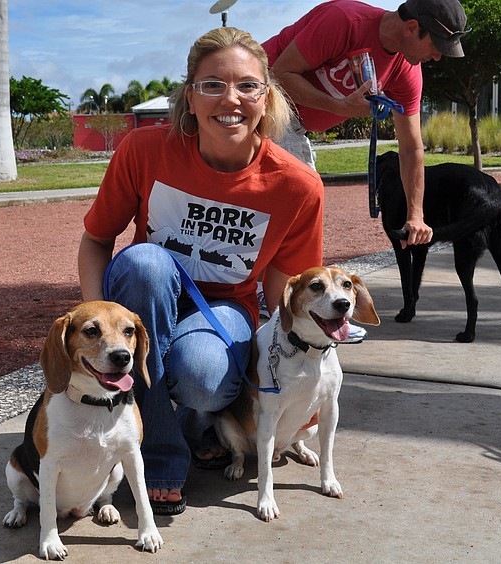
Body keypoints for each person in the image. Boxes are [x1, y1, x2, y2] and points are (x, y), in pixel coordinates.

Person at [77, 27, 328, 515]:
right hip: (146, 297)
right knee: (146, 261)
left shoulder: (297, 187)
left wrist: (298, 383)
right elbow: (96, 240)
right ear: (189, 96)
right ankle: (162, 455)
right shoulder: (144, 150)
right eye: (212, 84)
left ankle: (189, 423)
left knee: (207, 378)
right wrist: (95, 327)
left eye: (247, 85)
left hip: (223, 307)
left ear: (266, 97)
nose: (229, 99)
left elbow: (284, 303)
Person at [261, 0, 468, 249]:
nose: (437, 57)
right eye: (436, 46)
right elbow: (279, 74)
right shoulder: (345, 21)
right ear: (412, 27)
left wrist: (415, 215)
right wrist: (342, 107)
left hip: (294, 125)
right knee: (299, 199)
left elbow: (411, 147)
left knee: (298, 209)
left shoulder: (406, 72)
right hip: (260, 99)